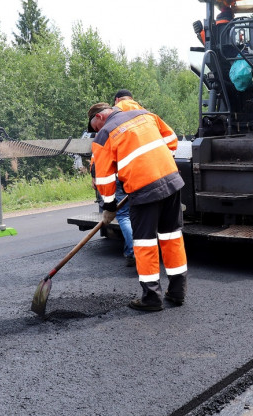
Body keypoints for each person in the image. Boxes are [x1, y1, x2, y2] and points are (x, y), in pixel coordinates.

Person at [87, 102, 187, 312]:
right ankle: (177, 292)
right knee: (171, 237)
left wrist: (109, 206)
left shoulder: (104, 134)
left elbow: (104, 177)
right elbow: (171, 139)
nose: (95, 132)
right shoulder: (145, 115)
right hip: (171, 180)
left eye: (93, 127)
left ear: (99, 117)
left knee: (144, 243)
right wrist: (158, 162)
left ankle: (152, 298)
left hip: (144, 188)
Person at [111, 89, 144, 267]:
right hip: (143, 173)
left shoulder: (113, 116)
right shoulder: (143, 113)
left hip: (121, 173)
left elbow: (102, 148)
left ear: (117, 100)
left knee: (123, 215)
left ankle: (133, 251)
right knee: (139, 214)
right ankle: (132, 250)